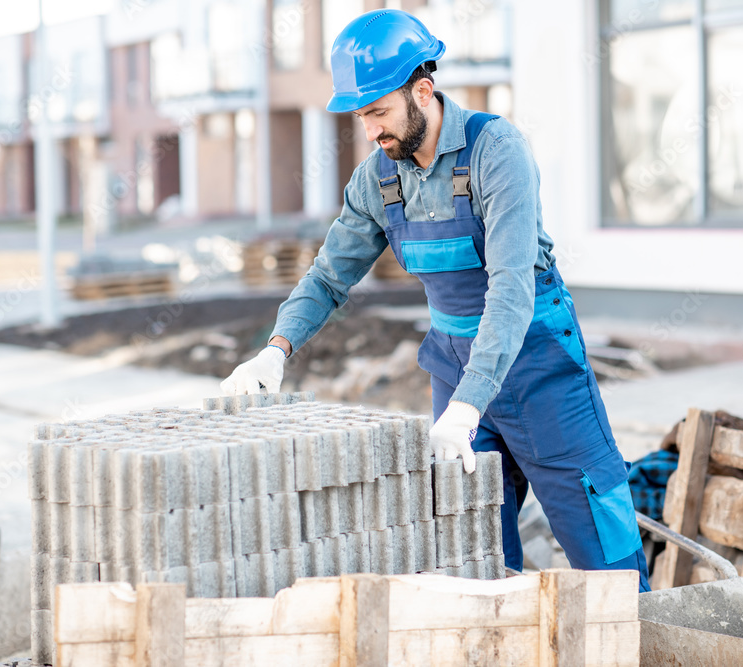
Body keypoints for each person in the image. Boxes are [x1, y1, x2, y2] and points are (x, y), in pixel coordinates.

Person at [221, 9, 650, 591]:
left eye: (378, 112)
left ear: (422, 91)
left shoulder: (496, 152)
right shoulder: (378, 180)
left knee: (603, 551)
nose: (370, 131)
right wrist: (276, 348)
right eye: (360, 116)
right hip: (453, 368)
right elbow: (328, 277)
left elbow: (511, 290)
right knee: (475, 558)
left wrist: (471, 405)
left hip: (538, 366)